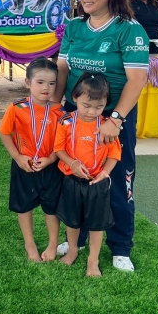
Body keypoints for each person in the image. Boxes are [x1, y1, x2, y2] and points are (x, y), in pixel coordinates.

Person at [53, 0, 149, 272]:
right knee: (75, 178)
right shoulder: (74, 27)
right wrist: (55, 108)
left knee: (116, 180)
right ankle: (77, 240)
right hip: (75, 114)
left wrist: (115, 119)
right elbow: (62, 70)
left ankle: (120, 246)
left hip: (113, 117)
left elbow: (137, 79)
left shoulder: (129, 29)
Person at [55, 73, 121, 277]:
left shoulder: (107, 127)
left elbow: (114, 154)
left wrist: (105, 173)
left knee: (96, 224)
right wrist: (72, 163)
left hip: (96, 183)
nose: (92, 112)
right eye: (86, 105)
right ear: (74, 97)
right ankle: (73, 250)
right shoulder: (65, 122)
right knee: (71, 221)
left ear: (106, 105)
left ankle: (93, 260)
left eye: (99, 107)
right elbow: (58, 149)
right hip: (71, 180)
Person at [0, 57, 63, 262]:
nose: (46, 88)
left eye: (52, 83)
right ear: (28, 82)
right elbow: (4, 133)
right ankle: (30, 244)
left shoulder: (59, 111)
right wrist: (18, 157)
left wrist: (51, 159)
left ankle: (53, 244)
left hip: (51, 167)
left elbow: (62, 142)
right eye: (40, 82)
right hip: (23, 165)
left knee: (52, 208)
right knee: (24, 206)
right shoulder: (16, 108)